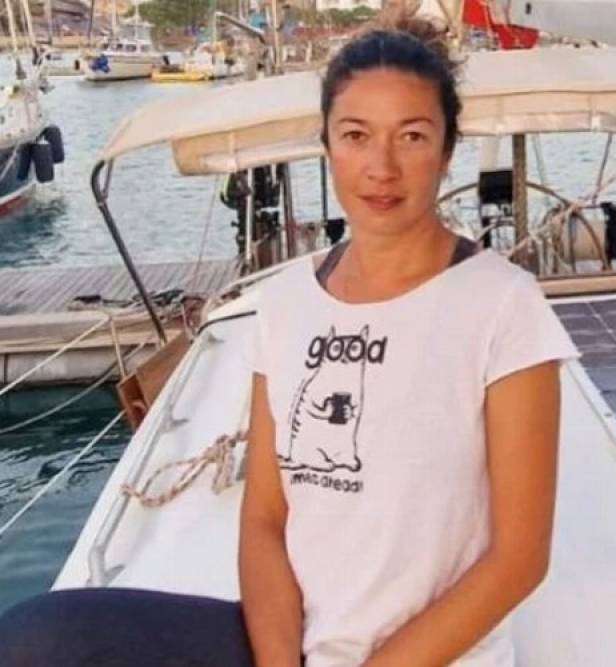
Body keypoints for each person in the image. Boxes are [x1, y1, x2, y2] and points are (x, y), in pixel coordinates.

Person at [0, 15, 577, 667]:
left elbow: (517, 558)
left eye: (412, 136)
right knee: (38, 638)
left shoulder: (501, 304)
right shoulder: (285, 302)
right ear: (327, 145)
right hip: (294, 644)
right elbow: (265, 519)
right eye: (356, 135)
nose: (382, 167)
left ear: (447, 152)